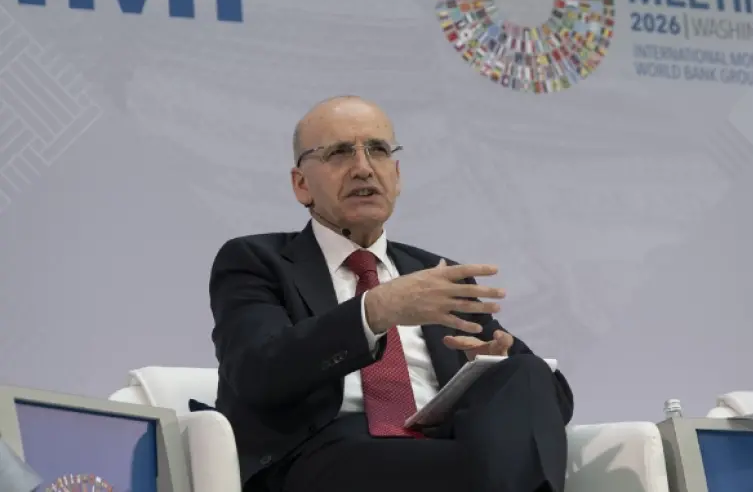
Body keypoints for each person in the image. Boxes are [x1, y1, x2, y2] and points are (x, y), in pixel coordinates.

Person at [207, 95, 574, 492]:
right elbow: (258, 372)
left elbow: (553, 403)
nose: (363, 168)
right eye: (339, 153)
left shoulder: (437, 275)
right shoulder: (256, 261)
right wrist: (374, 310)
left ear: (396, 176)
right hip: (324, 452)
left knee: (524, 371)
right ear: (301, 185)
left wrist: (491, 370)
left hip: (444, 448)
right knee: (492, 471)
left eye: (378, 151)